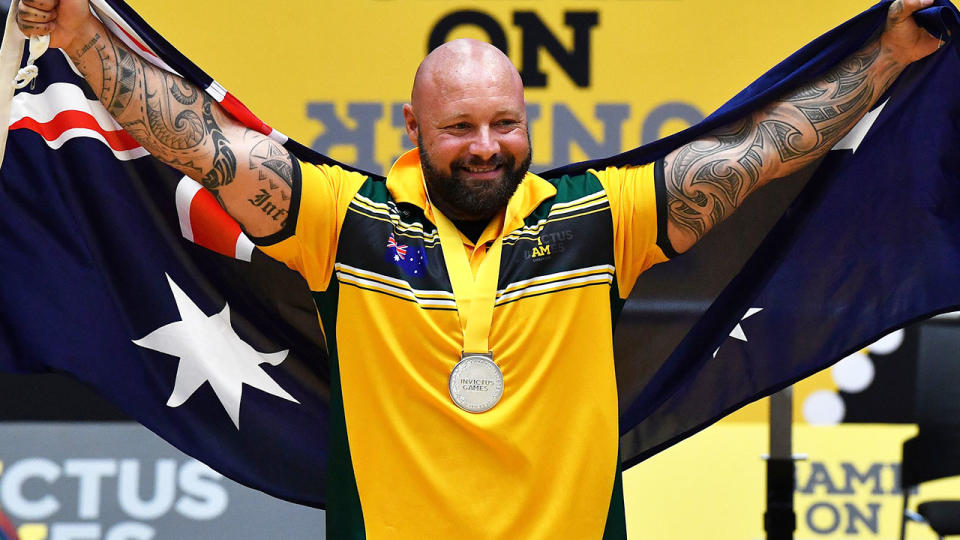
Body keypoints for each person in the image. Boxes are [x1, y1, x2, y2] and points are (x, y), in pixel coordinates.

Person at [14, 0, 942, 538]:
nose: (486, 147)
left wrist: (893, 53)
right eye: (459, 127)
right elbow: (198, 141)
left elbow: (765, 151)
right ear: (411, 132)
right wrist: (81, 33)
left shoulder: (598, 218)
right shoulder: (347, 220)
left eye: (504, 123)